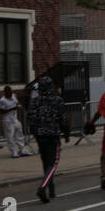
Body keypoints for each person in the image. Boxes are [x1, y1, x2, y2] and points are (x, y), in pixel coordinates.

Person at [27, 75, 70, 203]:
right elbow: (63, 119)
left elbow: (31, 119)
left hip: (40, 135)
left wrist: (35, 133)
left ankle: (51, 190)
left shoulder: (34, 101)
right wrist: (66, 134)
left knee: (46, 163)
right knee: (53, 163)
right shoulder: (57, 100)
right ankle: (43, 187)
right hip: (53, 135)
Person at [0, 85, 27, 158]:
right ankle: (13, 152)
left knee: (19, 134)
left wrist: (18, 106)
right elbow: (1, 111)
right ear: (5, 92)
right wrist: (12, 108)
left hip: (15, 119)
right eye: (9, 92)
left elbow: (17, 103)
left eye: (11, 92)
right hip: (8, 120)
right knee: (10, 137)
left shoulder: (14, 96)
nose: (11, 94)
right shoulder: (2, 100)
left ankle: (22, 149)